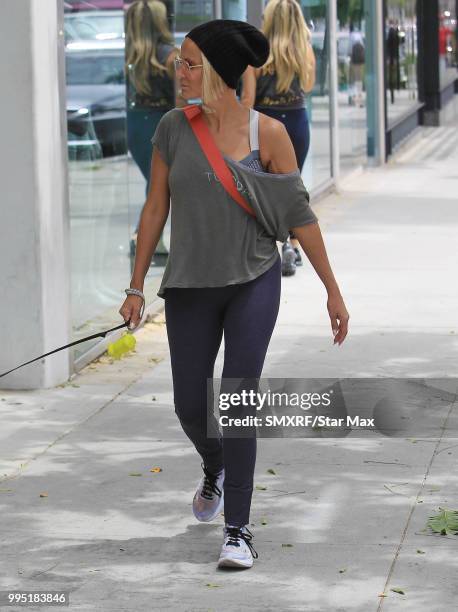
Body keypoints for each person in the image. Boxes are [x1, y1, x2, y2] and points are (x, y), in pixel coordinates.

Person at [119, 18, 349, 570]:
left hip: (252, 282)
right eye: (180, 61)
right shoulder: (173, 129)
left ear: (220, 74)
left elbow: (299, 217)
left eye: (191, 63)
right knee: (189, 407)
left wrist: (332, 291)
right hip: (190, 288)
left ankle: (239, 530)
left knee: (239, 401)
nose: (179, 71)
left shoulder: (267, 134)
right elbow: (155, 208)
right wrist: (135, 285)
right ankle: (213, 463)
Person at [240, 0, 316, 277]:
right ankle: (292, 245)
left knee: (264, 187)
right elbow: (308, 85)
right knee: (293, 185)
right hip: (296, 122)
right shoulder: (304, 51)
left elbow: (247, 98)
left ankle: (269, 245)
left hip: (266, 125)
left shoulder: (256, 55)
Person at [125, 0, 186, 265]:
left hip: (136, 122)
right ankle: (143, 237)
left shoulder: (133, 56)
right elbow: (180, 100)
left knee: (155, 183)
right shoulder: (171, 56)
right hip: (161, 122)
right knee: (159, 184)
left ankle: (146, 237)